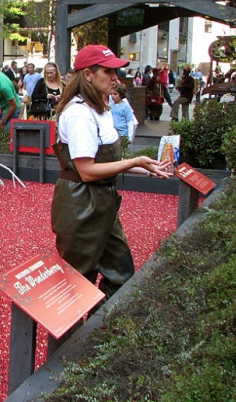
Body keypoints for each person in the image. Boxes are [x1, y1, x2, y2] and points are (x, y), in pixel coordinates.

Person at [51, 44, 174, 298]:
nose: (116, 78)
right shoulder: (79, 114)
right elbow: (86, 171)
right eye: (109, 72)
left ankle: (102, 331)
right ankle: (75, 337)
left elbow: (103, 162)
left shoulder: (101, 108)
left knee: (121, 271)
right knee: (78, 281)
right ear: (88, 74)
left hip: (102, 201)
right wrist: (135, 162)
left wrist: (146, 167)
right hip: (80, 205)